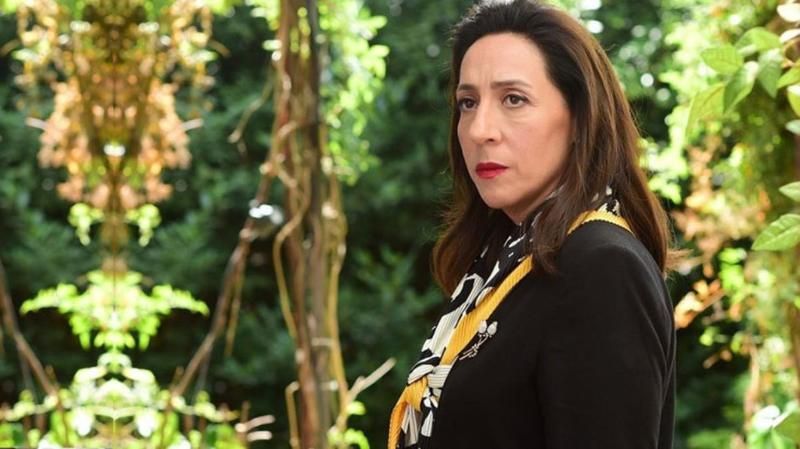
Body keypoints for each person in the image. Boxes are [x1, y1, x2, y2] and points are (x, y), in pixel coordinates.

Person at [387, 1, 676, 448]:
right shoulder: (503, 263)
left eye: (514, 99)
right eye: (467, 103)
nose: (480, 129)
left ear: (579, 118)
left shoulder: (601, 267)